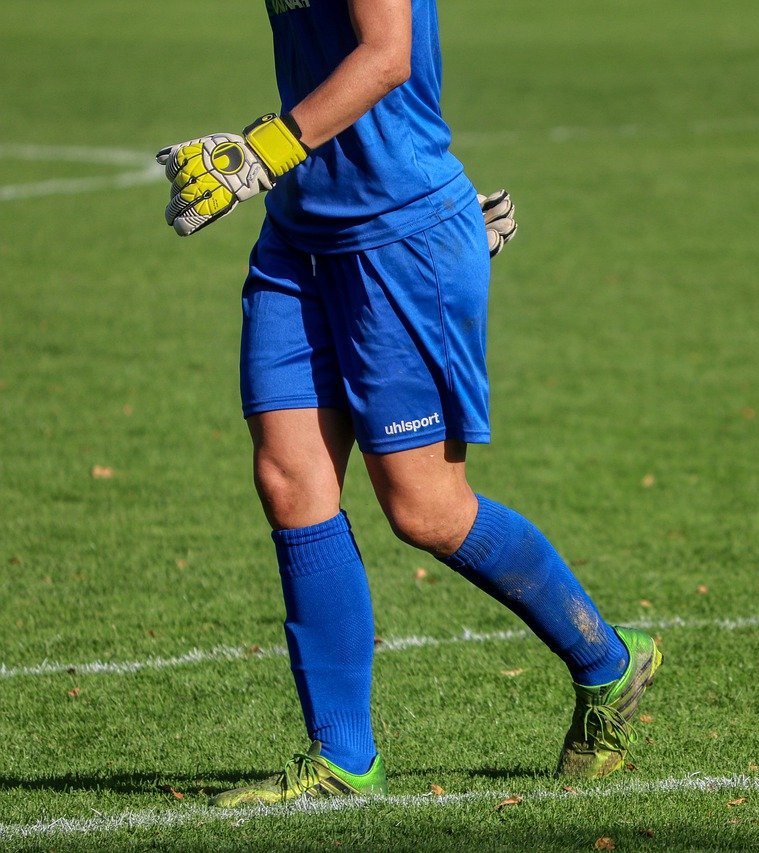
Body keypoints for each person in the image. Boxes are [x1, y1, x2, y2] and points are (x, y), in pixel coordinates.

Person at [156, 0, 661, 806]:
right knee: (289, 482)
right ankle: (343, 756)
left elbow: (388, 53)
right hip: (298, 235)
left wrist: (263, 150)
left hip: (396, 235)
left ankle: (608, 660)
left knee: (425, 509)